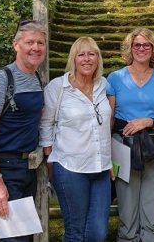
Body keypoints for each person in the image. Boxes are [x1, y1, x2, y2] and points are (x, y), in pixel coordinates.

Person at [0, 20, 46, 242]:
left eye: (40, 43)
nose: (36, 47)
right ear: (16, 45)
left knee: (24, 237)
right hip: (4, 169)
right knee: (13, 238)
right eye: (29, 42)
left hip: (28, 169)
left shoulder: (36, 78)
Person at [107, 27, 154, 242]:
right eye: (136, 44)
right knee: (127, 210)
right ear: (130, 48)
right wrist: (105, 153)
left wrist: (148, 121)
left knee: (152, 206)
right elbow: (108, 119)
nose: (141, 48)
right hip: (122, 147)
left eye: (146, 45)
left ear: (153, 48)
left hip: (153, 148)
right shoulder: (115, 78)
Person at [39, 37, 112, 242]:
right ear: (74, 59)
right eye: (81, 54)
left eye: (92, 54)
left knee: (98, 233)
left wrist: (109, 160)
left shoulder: (103, 85)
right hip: (70, 167)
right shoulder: (58, 88)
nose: (87, 59)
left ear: (98, 58)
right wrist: (49, 157)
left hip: (101, 168)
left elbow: (106, 124)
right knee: (75, 231)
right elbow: (45, 124)